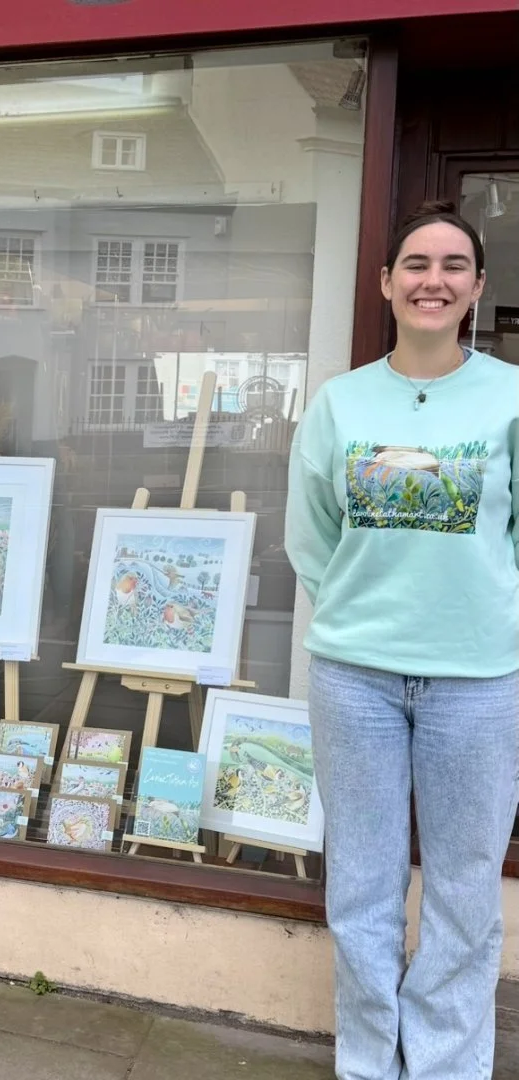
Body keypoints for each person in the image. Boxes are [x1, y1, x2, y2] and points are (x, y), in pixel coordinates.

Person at [286, 199, 519, 1079]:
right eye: (416, 264)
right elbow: (311, 538)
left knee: (465, 893)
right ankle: (369, 1062)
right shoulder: (342, 402)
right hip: (357, 679)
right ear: (386, 284)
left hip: (478, 681)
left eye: (454, 265)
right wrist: (364, 608)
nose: (434, 279)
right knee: (362, 889)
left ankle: (448, 1064)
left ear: (477, 288)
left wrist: (484, 616)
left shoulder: (510, 397)